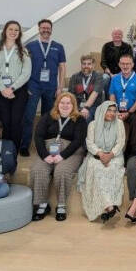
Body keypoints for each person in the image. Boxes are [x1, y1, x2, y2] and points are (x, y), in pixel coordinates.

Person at [31, 92, 87, 221]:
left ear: (73, 105)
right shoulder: (48, 117)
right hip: (47, 151)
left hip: (71, 152)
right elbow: (38, 137)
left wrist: (62, 156)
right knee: (38, 170)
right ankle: (43, 204)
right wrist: (45, 156)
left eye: (68, 103)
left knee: (62, 171)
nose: (65, 105)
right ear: (57, 104)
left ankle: (61, 205)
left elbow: (78, 140)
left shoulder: (79, 119)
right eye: (62, 102)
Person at [20, 19, 66, 157]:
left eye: (48, 28)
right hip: (33, 86)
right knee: (29, 116)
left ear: (51, 30)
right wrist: (25, 86)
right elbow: (23, 66)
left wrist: (60, 87)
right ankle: (24, 146)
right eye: (43, 27)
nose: (46, 30)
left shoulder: (58, 47)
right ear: (38, 29)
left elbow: (62, 67)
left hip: (51, 87)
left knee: (48, 118)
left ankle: (45, 146)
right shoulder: (30, 46)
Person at [77, 101, 126, 223]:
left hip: (115, 156)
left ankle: (109, 206)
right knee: (96, 168)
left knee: (112, 168)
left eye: (114, 111)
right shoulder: (93, 125)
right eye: (109, 110)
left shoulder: (119, 123)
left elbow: (121, 142)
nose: (112, 113)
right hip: (96, 155)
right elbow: (90, 143)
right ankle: (110, 206)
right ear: (102, 110)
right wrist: (100, 154)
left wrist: (110, 155)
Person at [0, 20, 31, 150]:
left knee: (16, 123)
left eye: (16, 30)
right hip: (0, 92)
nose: (13, 32)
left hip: (19, 91)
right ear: (5, 31)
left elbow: (26, 73)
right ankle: (5, 150)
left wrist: (12, 88)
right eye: (10, 29)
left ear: (19, 33)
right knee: (4, 122)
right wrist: (3, 89)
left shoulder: (24, 51)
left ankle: (14, 151)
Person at [108, 54, 136, 122]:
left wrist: (128, 113)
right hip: (117, 110)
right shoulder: (115, 78)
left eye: (128, 64)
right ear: (119, 64)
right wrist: (116, 111)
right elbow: (112, 97)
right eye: (123, 64)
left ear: (132, 65)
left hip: (133, 111)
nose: (125, 66)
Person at [68, 54, 104, 123]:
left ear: (93, 65)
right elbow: (71, 95)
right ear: (81, 65)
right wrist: (75, 109)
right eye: (84, 64)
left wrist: (86, 108)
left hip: (92, 106)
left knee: (85, 118)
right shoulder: (75, 76)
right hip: (77, 105)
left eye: (89, 64)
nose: (86, 66)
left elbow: (95, 93)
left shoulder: (98, 76)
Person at [100, 28, 133, 96]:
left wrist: (120, 74)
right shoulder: (106, 46)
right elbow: (103, 62)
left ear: (122, 36)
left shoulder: (127, 47)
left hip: (124, 72)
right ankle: (107, 97)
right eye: (115, 34)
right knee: (105, 78)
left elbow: (130, 62)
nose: (117, 35)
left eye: (119, 34)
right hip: (109, 73)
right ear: (112, 35)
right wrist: (111, 74)